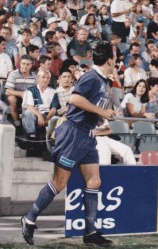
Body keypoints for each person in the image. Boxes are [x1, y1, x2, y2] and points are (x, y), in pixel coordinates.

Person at [21, 41, 115, 246]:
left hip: (87, 136)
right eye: (114, 56)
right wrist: (101, 112)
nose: (115, 59)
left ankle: (90, 233)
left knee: (94, 182)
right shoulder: (91, 77)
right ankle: (29, 219)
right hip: (72, 135)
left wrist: (97, 117)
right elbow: (74, 98)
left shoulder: (104, 81)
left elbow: (87, 105)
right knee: (59, 183)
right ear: (110, 59)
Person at [22, 69, 60, 140]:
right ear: (38, 78)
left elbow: (54, 108)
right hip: (35, 114)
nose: (45, 80)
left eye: (48, 78)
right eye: (43, 77)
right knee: (27, 113)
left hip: (47, 114)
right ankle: (31, 136)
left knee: (56, 118)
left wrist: (47, 118)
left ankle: (49, 139)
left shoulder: (53, 91)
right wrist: (39, 115)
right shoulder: (31, 90)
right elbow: (30, 106)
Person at [5, 54, 36, 126]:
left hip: (28, 97)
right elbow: (8, 91)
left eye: (28, 64)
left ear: (31, 65)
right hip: (15, 95)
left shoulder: (34, 76)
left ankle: (30, 123)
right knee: (12, 99)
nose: (25, 66)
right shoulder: (13, 74)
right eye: (23, 63)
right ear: (20, 64)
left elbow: (36, 91)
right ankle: (17, 122)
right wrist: (22, 93)